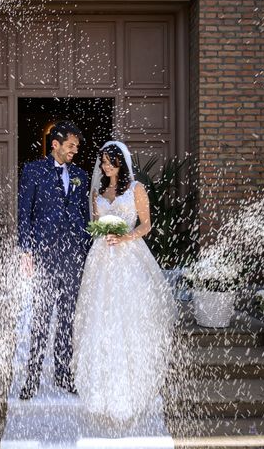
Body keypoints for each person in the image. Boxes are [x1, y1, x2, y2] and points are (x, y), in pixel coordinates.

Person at [71, 141, 177, 422]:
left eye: (110, 161)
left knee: (128, 317)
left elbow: (146, 225)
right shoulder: (97, 193)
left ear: (122, 162)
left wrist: (124, 236)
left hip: (129, 257)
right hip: (101, 259)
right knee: (100, 318)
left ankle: (131, 383)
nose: (106, 167)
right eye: (103, 162)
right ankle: (100, 388)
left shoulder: (136, 189)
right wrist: (102, 232)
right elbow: (95, 223)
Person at [17, 120, 90, 399]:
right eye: (71, 145)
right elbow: (24, 213)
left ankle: (63, 374)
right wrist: (26, 251)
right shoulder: (33, 171)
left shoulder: (80, 175)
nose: (75, 151)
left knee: (67, 319)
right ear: (56, 144)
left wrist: (86, 249)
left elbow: (83, 215)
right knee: (41, 318)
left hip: (74, 257)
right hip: (45, 258)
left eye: (77, 147)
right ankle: (32, 378)